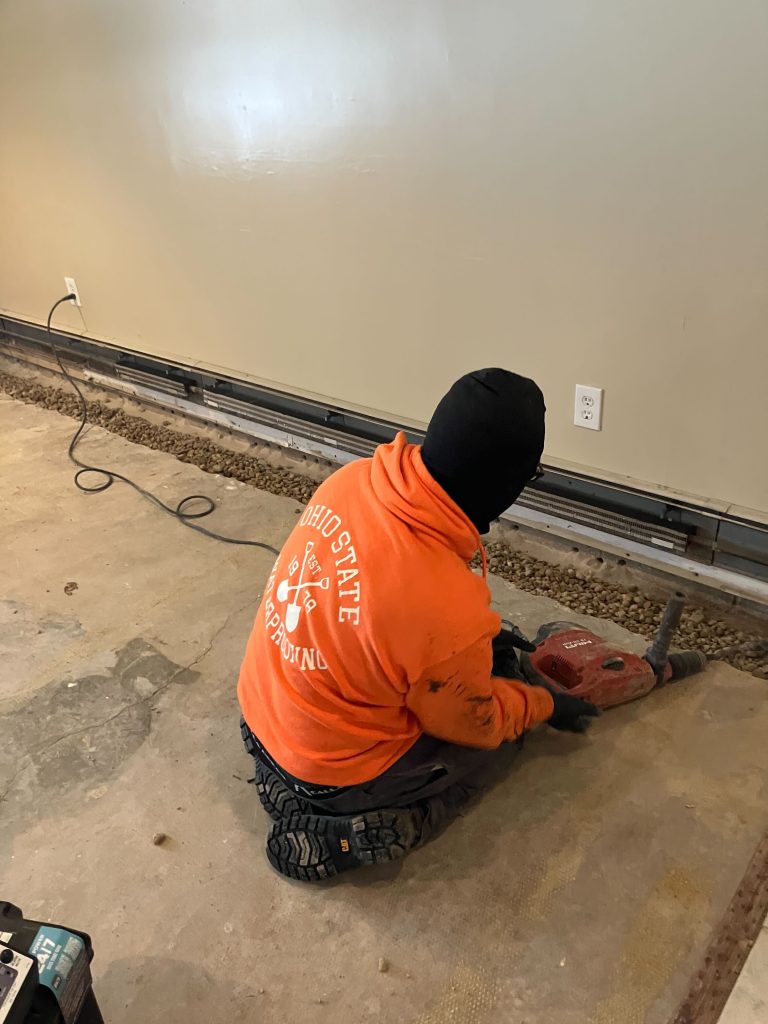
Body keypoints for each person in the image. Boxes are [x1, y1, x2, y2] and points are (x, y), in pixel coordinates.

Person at [238, 368, 599, 881]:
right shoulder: (444, 604)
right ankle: (363, 824)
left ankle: (283, 773)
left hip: (264, 710)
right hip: (329, 767)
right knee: (494, 745)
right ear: (508, 484)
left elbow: (375, 616)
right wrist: (542, 704)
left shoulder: (353, 480)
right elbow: (474, 722)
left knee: (464, 671)